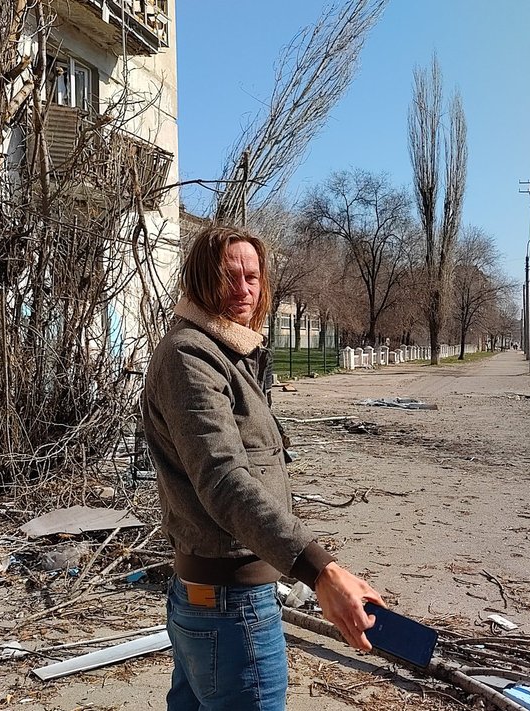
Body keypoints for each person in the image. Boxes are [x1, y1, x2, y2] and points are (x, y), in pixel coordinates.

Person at [142, 224, 384, 711]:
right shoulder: (191, 357)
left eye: (251, 276)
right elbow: (224, 479)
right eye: (227, 276)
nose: (242, 289)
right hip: (229, 604)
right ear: (197, 280)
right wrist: (321, 571)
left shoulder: (231, 353)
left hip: (217, 599)